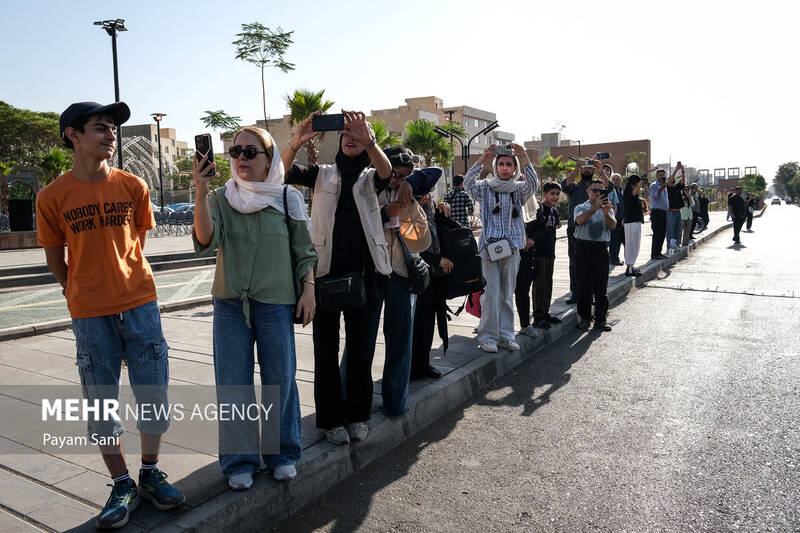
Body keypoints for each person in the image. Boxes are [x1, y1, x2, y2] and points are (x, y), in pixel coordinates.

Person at [36, 101, 184, 529]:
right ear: (73, 136)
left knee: (153, 394)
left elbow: (136, 241)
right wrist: (77, 292)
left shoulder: (134, 185)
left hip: (140, 305)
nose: (110, 134)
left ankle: (151, 473)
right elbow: (54, 257)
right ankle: (121, 483)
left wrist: (122, 283)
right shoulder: (52, 196)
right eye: (100, 127)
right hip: (89, 315)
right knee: (101, 403)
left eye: (112, 128)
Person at [192, 127, 317, 488]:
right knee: (233, 384)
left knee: (280, 380)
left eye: (250, 151)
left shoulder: (286, 197)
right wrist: (200, 191)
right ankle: (239, 461)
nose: (241, 158)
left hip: (276, 303)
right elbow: (205, 238)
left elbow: (303, 249)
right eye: (235, 151)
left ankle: (282, 453)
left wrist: (308, 288)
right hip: (231, 304)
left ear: (269, 157)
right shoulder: (220, 196)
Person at [279, 111, 410, 445]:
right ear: (338, 140)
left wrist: (370, 141)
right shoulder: (321, 174)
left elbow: (386, 172)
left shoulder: (370, 176)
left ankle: (358, 415)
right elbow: (279, 174)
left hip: (368, 277)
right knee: (325, 352)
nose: (350, 137)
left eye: (357, 133)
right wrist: (297, 140)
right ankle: (331, 420)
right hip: (324, 275)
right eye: (346, 133)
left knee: (361, 351)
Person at [365, 148, 431, 418]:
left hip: (402, 275)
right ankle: (355, 402)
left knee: (401, 342)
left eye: (404, 176)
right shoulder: (366, 189)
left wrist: (410, 199)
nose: (396, 181)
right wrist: (383, 213)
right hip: (371, 274)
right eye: (394, 175)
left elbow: (421, 241)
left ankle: (395, 401)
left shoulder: (409, 197)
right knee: (363, 343)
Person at [465, 144, 538, 353]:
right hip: (489, 248)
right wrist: (482, 159)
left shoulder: (519, 189)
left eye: (509, 164)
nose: (505, 168)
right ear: (496, 166)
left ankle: (506, 335)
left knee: (507, 293)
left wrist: (523, 156)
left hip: (513, 247)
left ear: (514, 168)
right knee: (491, 293)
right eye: (502, 164)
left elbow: (533, 182)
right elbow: (467, 182)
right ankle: (487, 336)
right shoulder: (485, 187)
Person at [411, 183, 453, 380]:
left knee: (427, 322)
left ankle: (423, 364)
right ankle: (411, 367)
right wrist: (438, 260)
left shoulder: (432, 211)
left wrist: (444, 212)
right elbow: (413, 247)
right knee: (414, 325)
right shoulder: (406, 211)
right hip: (414, 277)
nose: (425, 197)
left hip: (433, 277)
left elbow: (443, 236)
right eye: (420, 194)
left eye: (427, 193)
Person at [561, 159, 608, 303]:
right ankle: (576, 292)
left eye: (590, 168)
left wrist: (601, 170)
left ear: (593, 171)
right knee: (574, 262)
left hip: (596, 230)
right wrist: (575, 170)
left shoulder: (598, 186)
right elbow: (564, 185)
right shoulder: (575, 186)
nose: (587, 171)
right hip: (575, 229)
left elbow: (610, 186)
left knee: (595, 265)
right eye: (584, 168)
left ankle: (592, 293)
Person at [573, 179, 617, 332]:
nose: (597, 193)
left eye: (600, 191)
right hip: (583, 248)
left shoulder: (607, 208)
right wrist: (596, 207)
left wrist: (605, 213)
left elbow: (612, 226)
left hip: (600, 249)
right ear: (588, 192)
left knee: (601, 286)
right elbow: (579, 220)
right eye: (594, 190)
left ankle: (600, 319)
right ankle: (585, 318)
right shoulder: (581, 207)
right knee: (583, 286)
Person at [527, 181, 562, 331]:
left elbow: (557, 225)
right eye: (552, 193)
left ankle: (546, 312)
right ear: (545, 194)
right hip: (539, 253)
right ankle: (538, 316)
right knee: (540, 285)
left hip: (550, 252)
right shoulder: (538, 210)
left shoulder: (554, 211)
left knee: (548, 283)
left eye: (557, 194)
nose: (555, 197)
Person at [622, 174, 644, 277]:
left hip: (634, 222)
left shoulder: (631, 193)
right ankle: (629, 269)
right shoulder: (628, 193)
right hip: (632, 223)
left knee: (634, 245)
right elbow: (633, 193)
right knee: (632, 245)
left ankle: (630, 267)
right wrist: (641, 183)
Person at [665, 163, 686, 254]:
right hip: (670, 212)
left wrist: (682, 171)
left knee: (678, 231)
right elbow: (671, 179)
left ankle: (676, 245)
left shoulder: (677, 187)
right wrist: (676, 169)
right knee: (670, 231)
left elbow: (682, 181)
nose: (673, 179)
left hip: (678, 212)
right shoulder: (667, 188)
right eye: (670, 178)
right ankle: (669, 247)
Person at [649, 169, 670, 259]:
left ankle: (659, 252)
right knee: (657, 233)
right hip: (657, 212)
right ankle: (654, 254)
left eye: (663, 175)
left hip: (664, 212)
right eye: (660, 175)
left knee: (662, 233)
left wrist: (663, 187)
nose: (662, 177)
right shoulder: (654, 185)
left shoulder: (665, 186)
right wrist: (661, 188)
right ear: (657, 176)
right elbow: (655, 197)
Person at [608, 172, 625, 266]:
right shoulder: (610, 191)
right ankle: (613, 259)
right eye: (613, 179)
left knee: (618, 240)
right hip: (613, 218)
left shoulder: (621, 191)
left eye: (617, 179)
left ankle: (615, 257)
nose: (615, 181)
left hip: (621, 219)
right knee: (613, 240)